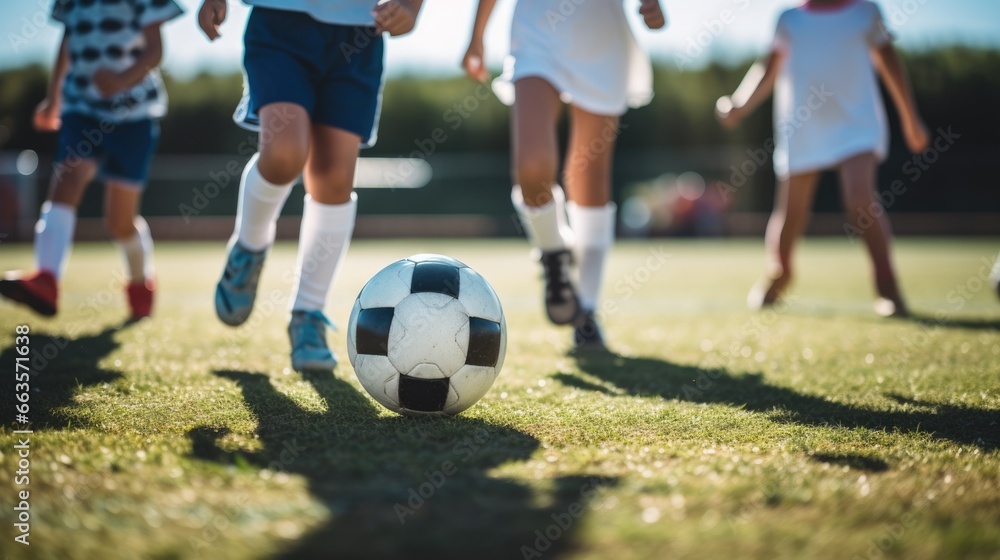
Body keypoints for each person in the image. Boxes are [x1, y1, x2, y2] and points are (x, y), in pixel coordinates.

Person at [197, 0, 424, 371]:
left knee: (334, 180)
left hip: (360, 31)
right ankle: (248, 247)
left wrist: (413, 6)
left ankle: (308, 315)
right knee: (285, 152)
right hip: (280, 22)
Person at [463, 0, 666, 350]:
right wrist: (476, 35)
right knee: (531, 167)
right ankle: (554, 253)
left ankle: (586, 310)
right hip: (536, 30)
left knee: (588, 176)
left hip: (600, 34)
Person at [717, 0, 929, 318]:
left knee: (860, 199)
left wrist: (910, 117)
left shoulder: (865, 12)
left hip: (856, 124)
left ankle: (888, 288)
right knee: (791, 214)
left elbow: (889, 62)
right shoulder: (789, 20)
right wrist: (740, 103)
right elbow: (767, 67)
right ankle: (781, 272)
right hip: (803, 126)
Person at [0, 0, 183, 320]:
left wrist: (122, 79)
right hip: (81, 111)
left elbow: (154, 49)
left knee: (119, 221)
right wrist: (53, 98)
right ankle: (47, 278)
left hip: (134, 117)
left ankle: (140, 283)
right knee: (67, 180)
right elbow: (68, 41)